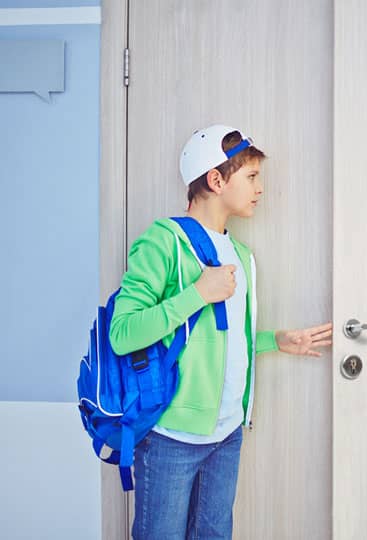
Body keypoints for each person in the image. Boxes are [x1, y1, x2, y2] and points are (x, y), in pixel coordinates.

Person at [109, 124, 333, 539]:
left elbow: (221, 337)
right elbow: (122, 333)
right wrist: (197, 292)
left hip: (227, 434)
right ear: (216, 179)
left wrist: (276, 340)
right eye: (250, 177)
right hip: (171, 437)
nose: (260, 188)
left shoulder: (241, 255)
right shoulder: (164, 242)